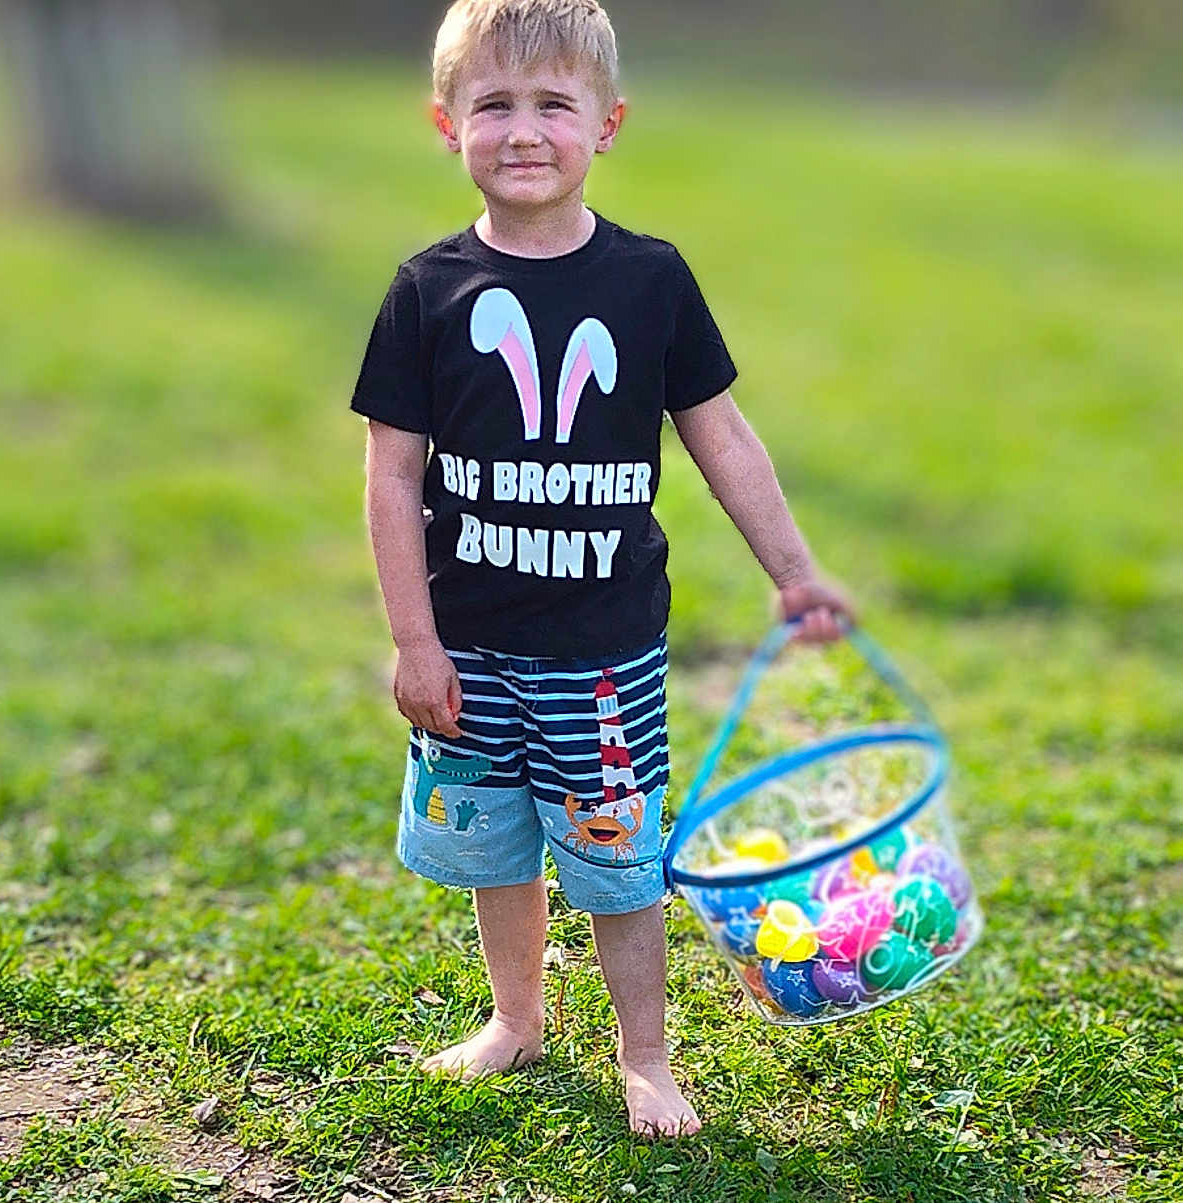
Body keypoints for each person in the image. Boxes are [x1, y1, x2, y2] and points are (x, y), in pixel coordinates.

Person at [350, 0, 853, 1139]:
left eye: (553, 105)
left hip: (602, 657)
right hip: (471, 646)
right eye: (493, 105)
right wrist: (415, 640)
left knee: (620, 866)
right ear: (447, 125)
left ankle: (647, 1057)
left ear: (607, 124)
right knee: (496, 844)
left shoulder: (651, 281)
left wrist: (796, 570)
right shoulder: (426, 291)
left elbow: (720, 435)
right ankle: (517, 1018)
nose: (523, 131)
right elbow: (390, 478)